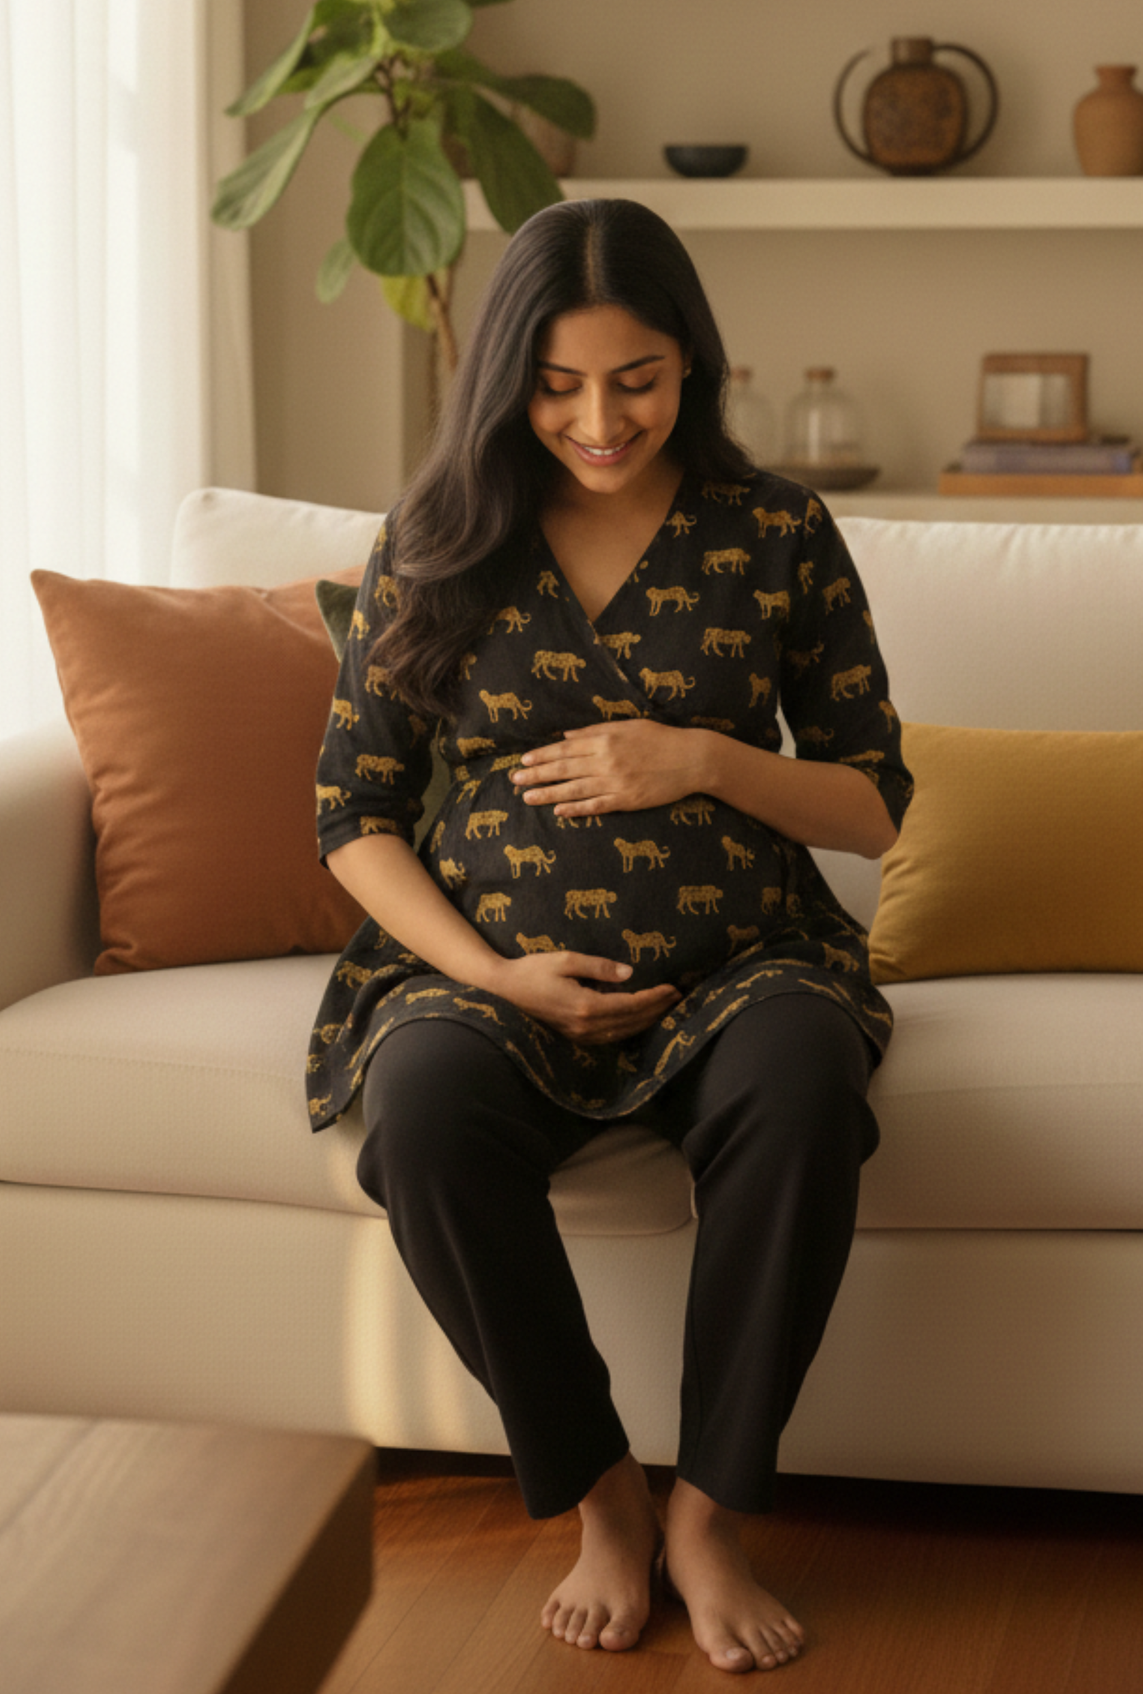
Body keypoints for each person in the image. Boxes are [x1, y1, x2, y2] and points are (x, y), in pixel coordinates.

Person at [306, 198, 912, 1674]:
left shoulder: (776, 533)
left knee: (805, 1077)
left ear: (693, 363)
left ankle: (709, 1510)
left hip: (742, 964)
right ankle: (601, 1496)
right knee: (425, 1114)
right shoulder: (438, 540)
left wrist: (698, 757)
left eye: (636, 379)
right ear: (507, 376)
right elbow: (353, 813)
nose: (598, 420)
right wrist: (491, 972)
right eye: (560, 383)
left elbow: (874, 802)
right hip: (487, 975)